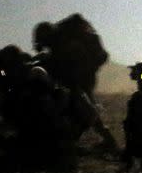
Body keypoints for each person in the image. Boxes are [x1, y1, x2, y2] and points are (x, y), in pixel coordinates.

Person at [32, 14, 116, 149]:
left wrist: (73, 82)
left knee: (86, 106)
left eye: (42, 40)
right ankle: (104, 139)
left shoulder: (64, 44)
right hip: (81, 75)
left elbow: (71, 65)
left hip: (82, 76)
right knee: (84, 106)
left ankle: (108, 141)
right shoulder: (61, 41)